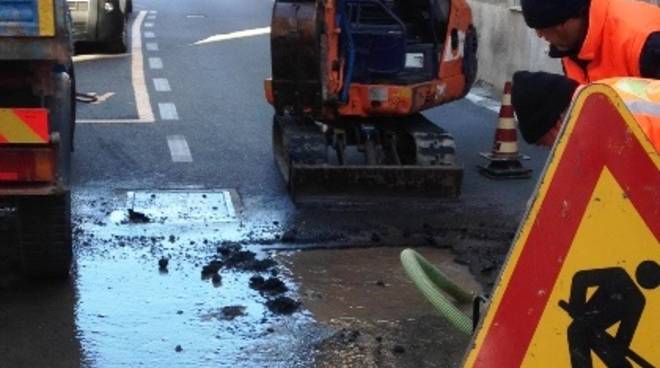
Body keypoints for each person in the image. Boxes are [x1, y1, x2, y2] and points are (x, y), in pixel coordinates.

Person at [520, 0, 660, 82]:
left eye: (543, 27)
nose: (539, 35)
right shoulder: (570, 46)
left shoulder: (644, 42)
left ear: (570, 19)